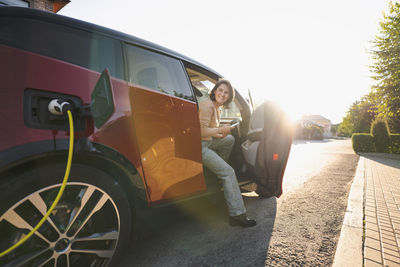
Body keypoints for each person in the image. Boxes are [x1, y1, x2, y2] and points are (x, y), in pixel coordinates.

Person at [199, 79, 256, 227]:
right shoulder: (207, 105)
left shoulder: (216, 107)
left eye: (226, 92)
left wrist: (221, 132)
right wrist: (218, 130)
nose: (222, 94)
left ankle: (217, 173)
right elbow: (199, 131)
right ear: (214, 90)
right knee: (229, 172)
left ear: (229, 96)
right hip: (200, 146)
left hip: (208, 141)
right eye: (220, 90)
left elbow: (209, 132)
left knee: (229, 139)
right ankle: (237, 215)